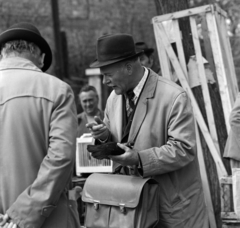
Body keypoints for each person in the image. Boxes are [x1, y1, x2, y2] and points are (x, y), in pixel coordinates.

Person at [86, 33, 207, 228]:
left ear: (128, 67)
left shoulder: (174, 96)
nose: (104, 82)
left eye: (108, 75)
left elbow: (184, 149)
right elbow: (123, 139)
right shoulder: (113, 98)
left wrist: (139, 159)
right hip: (132, 208)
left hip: (170, 210)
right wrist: (104, 136)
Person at [0, 22, 80, 228]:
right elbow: (61, 158)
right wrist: (21, 215)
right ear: (41, 57)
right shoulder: (57, 90)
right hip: (48, 219)